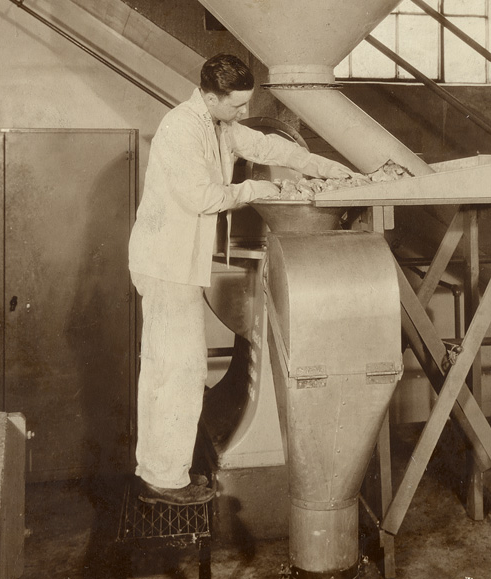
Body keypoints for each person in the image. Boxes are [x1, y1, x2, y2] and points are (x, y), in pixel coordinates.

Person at [127, 53, 354, 505]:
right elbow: (201, 198)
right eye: (237, 105)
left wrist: (334, 171)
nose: (244, 113)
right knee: (180, 370)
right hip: (165, 264)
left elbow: (273, 149)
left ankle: (157, 470)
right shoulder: (181, 129)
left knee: (167, 368)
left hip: (174, 264)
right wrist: (260, 190)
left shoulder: (219, 124)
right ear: (210, 96)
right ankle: (163, 478)